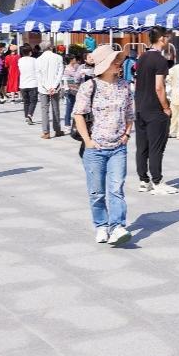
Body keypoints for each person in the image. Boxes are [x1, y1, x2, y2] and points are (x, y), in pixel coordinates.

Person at [73, 46, 135, 246]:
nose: (119, 64)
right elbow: (78, 114)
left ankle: (117, 226)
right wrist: (88, 141)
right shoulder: (89, 86)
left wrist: (126, 134)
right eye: (115, 61)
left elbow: (130, 114)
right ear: (104, 65)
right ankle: (101, 225)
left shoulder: (124, 86)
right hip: (95, 149)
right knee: (97, 192)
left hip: (118, 147)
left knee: (116, 189)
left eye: (118, 60)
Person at [134, 27, 177, 195]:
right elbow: (159, 87)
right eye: (167, 37)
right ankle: (157, 181)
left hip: (140, 107)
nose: (169, 40)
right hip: (154, 109)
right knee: (156, 147)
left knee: (142, 147)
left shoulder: (142, 57)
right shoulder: (160, 60)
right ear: (162, 39)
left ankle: (143, 180)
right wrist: (166, 107)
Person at [35, 40, 65, 139]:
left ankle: (46, 132)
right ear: (51, 47)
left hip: (43, 88)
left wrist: (47, 87)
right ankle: (57, 130)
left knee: (44, 109)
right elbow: (60, 73)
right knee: (56, 108)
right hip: (55, 87)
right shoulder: (58, 57)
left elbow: (38, 75)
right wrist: (54, 86)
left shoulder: (38, 59)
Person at [61, 51, 87, 129]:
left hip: (76, 89)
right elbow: (76, 76)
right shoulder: (68, 69)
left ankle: (74, 124)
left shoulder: (75, 66)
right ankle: (67, 124)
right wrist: (82, 73)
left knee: (76, 108)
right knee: (69, 107)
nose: (75, 59)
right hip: (70, 90)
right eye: (74, 58)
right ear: (71, 60)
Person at [17, 43, 39, 123]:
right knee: (33, 101)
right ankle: (29, 115)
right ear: (30, 52)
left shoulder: (20, 60)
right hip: (33, 83)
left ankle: (27, 116)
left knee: (26, 101)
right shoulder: (34, 60)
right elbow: (37, 71)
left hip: (23, 84)